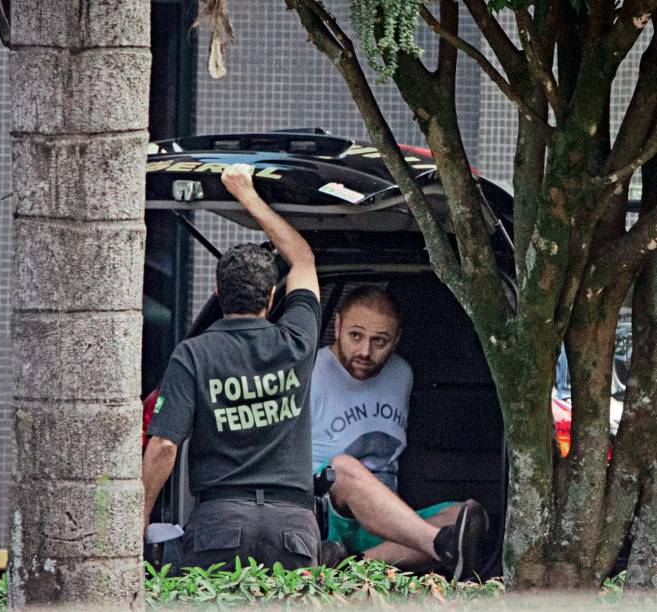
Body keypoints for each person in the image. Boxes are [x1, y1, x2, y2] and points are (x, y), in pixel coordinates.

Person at [142, 163, 321, 570]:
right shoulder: (296, 339)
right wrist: (247, 195)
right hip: (292, 527)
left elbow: (165, 445)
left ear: (218, 291)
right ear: (273, 297)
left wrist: (140, 517)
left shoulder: (193, 354)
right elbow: (303, 259)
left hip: (220, 524)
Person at [311, 286, 487, 580]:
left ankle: (352, 567)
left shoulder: (402, 374)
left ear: (397, 338)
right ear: (338, 325)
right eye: (356, 336)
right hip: (331, 514)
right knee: (342, 467)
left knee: (470, 517)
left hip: (389, 522)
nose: (365, 351)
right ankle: (437, 545)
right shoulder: (311, 371)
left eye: (379, 341)